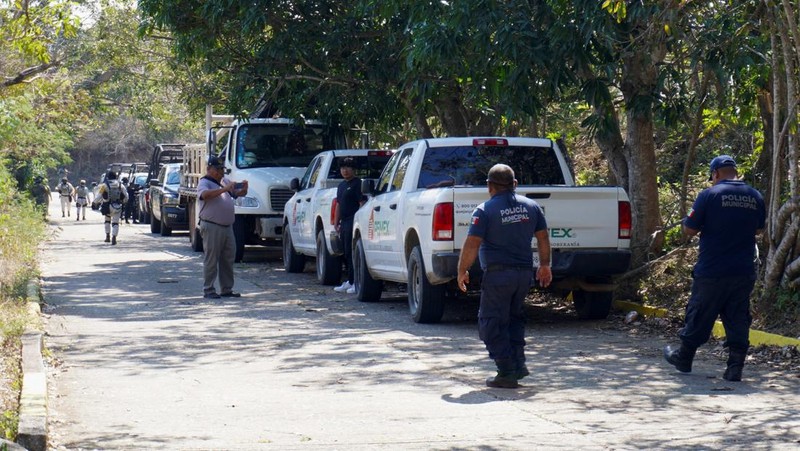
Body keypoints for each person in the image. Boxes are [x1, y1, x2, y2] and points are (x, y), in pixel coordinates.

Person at [664, 155, 765, 382]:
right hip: (743, 270)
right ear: (734, 171)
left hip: (712, 269)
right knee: (738, 317)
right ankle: (734, 368)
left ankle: (684, 358)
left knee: (700, 312)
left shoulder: (708, 195)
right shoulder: (755, 196)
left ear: (715, 174)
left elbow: (689, 230)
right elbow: (758, 230)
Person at [456, 164, 552, 389]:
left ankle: (506, 370)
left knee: (489, 323)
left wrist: (462, 270)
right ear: (515, 185)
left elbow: (472, 244)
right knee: (514, 319)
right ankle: (518, 363)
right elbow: (543, 238)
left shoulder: (484, 210)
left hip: (499, 275)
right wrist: (545, 265)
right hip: (523, 276)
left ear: (489, 186)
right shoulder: (532, 207)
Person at [197, 155, 249, 299]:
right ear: (209, 169)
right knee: (211, 258)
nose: (220, 172)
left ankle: (226, 289)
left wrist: (243, 190)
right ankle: (208, 289)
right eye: (217, 169)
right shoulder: (204, 182)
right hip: (212, 225)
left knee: (228, 259)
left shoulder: (224, 181)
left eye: (222, 169)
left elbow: (235, 194)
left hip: (227, 226)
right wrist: (224, 189)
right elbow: (204, 195)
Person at [333, 157, 366, 294]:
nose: (345, 171)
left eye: (348, 168)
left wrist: (359, 221)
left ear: (354, 169)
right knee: (345, 252)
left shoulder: (358, 184)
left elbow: (362, 203)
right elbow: (339, 204)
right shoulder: (341, 186)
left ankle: (355, 282)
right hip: (344, 222)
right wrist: (336, 222)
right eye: (342, 168)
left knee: (353, 252)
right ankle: (349, 280)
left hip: (354, 221)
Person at [97, 171, 128, 245]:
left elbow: (99, 196)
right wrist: (123, 201)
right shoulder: (121, 185)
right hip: (117, 206)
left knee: (107, 221)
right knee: (115, 223)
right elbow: (126, 196)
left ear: (108, 177)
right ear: (116, 177)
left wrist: (95, 202)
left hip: (107, 206)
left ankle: (107, 236)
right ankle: (114, 236)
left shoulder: (104, 185)